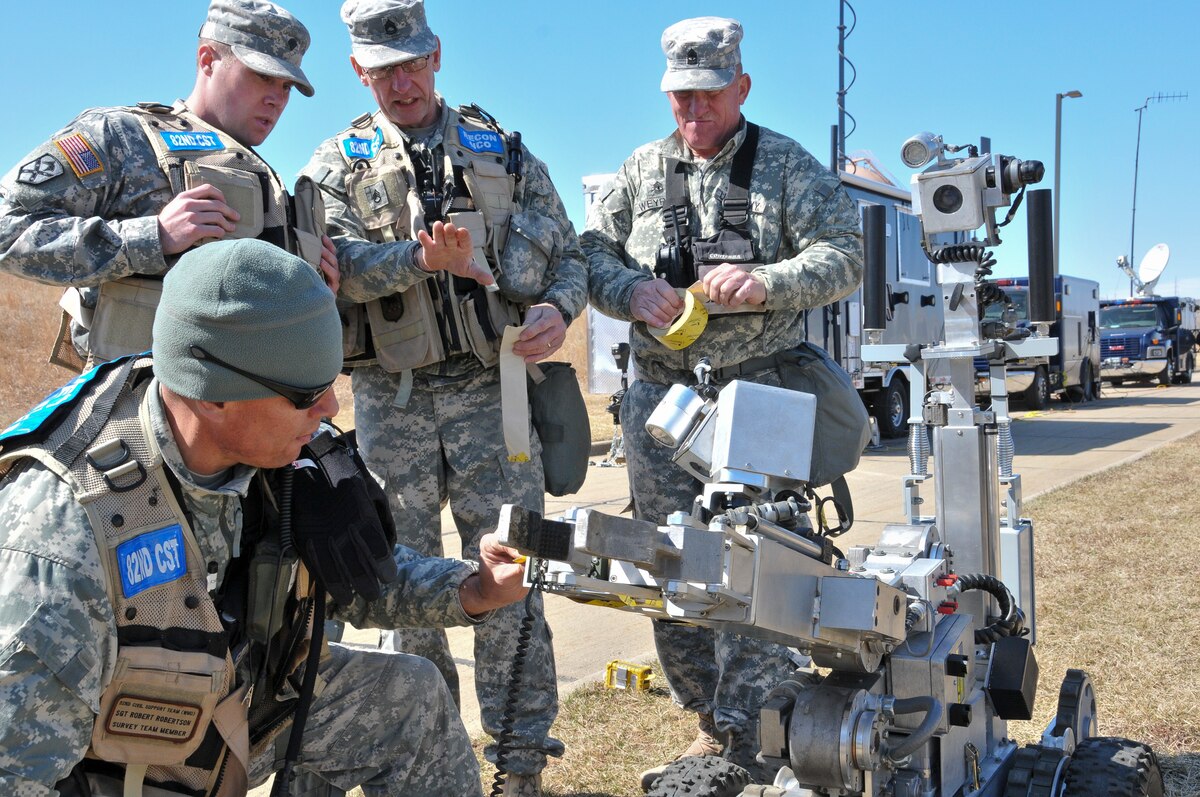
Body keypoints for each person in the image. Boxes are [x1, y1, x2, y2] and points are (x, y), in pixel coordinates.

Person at [0, 238, 530, 797]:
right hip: (121, 769)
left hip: (237, 704)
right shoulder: (61, 538)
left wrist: (472, 589)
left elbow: (354, 572)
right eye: (307, 395)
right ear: (212, 396)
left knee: (410, 698)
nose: (329, 410)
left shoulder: (286, 445)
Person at [301, 2, 588, 794]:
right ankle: (426, 759)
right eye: (381, 69)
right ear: (359, 72)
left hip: (497, 398)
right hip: (392, 404)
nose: (400, 83)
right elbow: (331, 267)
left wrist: (556, 310)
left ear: (437, 56)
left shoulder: (504, 148)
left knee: (517, 569)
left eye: (411, 63)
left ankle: (521, 763)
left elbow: (569, 256)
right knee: (399, 583)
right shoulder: (335, 165)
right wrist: (420, 261)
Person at [581, 16, 865, 787]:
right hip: (657, 402)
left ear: (740, 87)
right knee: (668, 562)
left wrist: (768, 281)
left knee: (756, 558)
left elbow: (845, 254)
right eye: (680, 98)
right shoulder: (641, 170)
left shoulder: (784, 165)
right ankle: (710, 720)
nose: (693, 112)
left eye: (707, 96)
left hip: (760, 392)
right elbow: (589, 254)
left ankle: (762, 731)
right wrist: (629, 288)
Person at [0, 0, 340, 371]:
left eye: (287, 86)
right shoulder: (122, 137)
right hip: (141, 404)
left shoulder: (265, 179)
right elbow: (7, 228)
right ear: (207, 59)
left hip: (251, 406)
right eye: (261, 76)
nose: (277, 98)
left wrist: (313, 292)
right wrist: (153, 236)